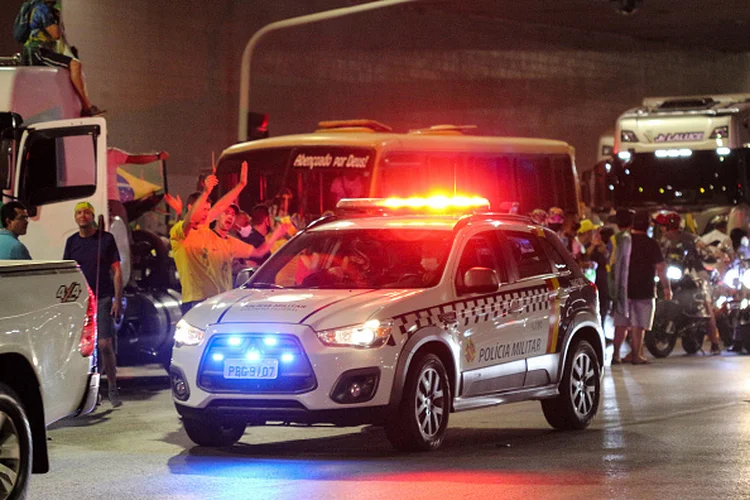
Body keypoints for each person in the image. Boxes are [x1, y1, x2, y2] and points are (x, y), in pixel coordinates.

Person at [170, 163, 290, 314]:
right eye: (204, 209)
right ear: (191, 208)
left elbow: (220, 206)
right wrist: (206, 192)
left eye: (208, 209)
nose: (207, 213)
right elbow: (191, 219)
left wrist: (240, 186)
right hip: (196, 301)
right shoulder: (181, 232)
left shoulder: (210, 233)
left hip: (221, 301)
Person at [63, 201, 123, 406]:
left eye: (86, 212)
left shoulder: (105, 239)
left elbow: (116, 271)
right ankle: (92, 391)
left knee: (105, 344)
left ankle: (113, 387)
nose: (83, 216)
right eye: (79, 212)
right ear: (75, 217)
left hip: (104, 297)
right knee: (86, 348)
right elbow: (68, 272)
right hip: (81, 301)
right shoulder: (72, 242)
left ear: (92, 215)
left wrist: (117, 300)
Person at [657, 211, 722, 355]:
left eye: (667, 226)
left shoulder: (690, 238)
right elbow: (660, 257)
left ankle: (715, 343)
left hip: (694, 273)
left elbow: (704, 248)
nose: (666, 229)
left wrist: (710, 253)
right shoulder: (664, 241)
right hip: (674, 274)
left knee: (706, 305)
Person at [23, 0, 102, 117]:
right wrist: (56, 19)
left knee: (72, 67)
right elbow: (55, 34)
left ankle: (83, 105)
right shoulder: (42, 9)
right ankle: (86, 106)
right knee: (75, 65)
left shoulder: (46, 9)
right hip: (37, 51)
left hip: (43, 50)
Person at [626, 211, 671, 364]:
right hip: (645, 287)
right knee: (640, 324)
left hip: (626, 287)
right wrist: (666, 287)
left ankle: (634, 352)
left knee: (631, 323)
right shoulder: (651, 243)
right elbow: (661, 267)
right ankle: (636, 356)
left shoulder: (626, 242)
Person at [107, 147, 170, 222]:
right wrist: (158, 157)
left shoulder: (102, 155)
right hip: (111, 202)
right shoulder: (110, 154)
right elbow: (136, 159)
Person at [611, 208, 634, 364]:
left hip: (616, 284)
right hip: (630, 284)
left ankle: (616, 354)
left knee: (620, 323)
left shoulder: (614, 239)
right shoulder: (628, 238)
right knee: (634, 322)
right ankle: (634, 353)